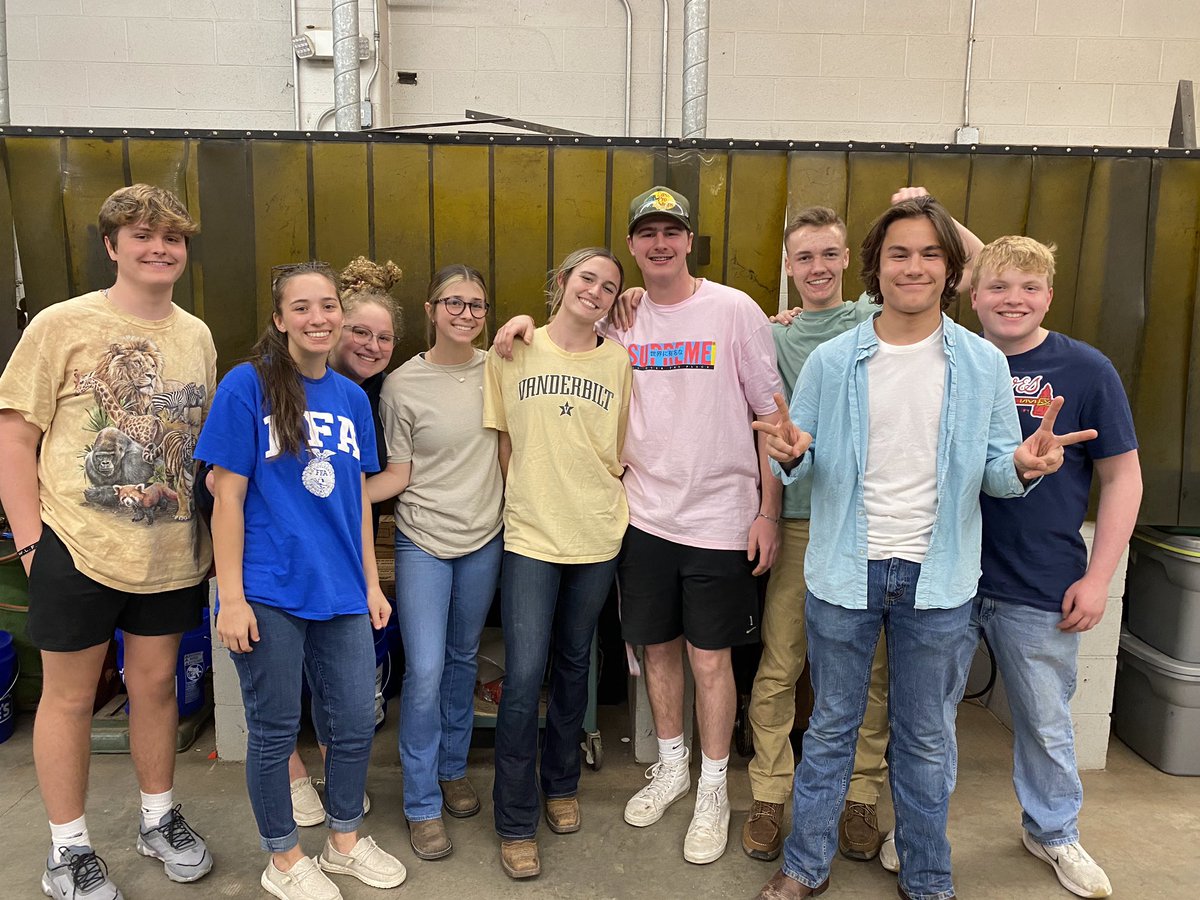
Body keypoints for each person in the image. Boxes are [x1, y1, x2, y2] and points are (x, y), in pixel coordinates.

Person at [752, 196, 1094, 900]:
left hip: (937, 582)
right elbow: (802, 454)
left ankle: (930, 876)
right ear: (875, 265)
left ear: (951, 268)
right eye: (899, 253)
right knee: (829, 731)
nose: (914, 266)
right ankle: (804, 865)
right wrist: (788, 456)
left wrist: (1025, 466)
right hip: (844, 575)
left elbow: (997, 472)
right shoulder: (832, 359)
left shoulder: (978, 364)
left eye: (930, 254)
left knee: (928, 739)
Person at [495, 187, 783, 866]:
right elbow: (557, 341)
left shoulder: (734, 311)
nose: (660, 243)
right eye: (647, 233)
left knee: (710, 659)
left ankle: (713, 787)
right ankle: (673, 766)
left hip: (720, 516)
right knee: (656, 649)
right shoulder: (622, 320)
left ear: (690, 241)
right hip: (642, 518)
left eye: (672, 232)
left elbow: (773, 418)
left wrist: (768, 510)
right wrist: (515, 322)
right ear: (632, 245)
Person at [0, 184, 214, 900]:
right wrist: (33, 544)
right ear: (113, 245)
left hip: (169, 554)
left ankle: (158, 819)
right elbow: (14, 437)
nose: (160, 248)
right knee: (68, 699)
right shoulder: (61, 325)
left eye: (173, 238)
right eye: (143, 235)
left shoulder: (197, 335)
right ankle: (67, 850)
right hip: (76, 547)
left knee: (155, 689)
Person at [199, 261, 406, 900]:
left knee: (353, 720)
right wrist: (230, 598)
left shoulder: (350, 398)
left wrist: (372, 586)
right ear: (280, 319)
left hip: (342, 588)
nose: (318, 318)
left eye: (327, 306)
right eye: (302, 307)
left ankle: (343, 841)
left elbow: (358, 504)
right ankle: (284, 858)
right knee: (275, 728)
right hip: (269, 589)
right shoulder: (247, 386)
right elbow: (226, 498)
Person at [941, 236, 1140, 899]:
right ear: (974, 297)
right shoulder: (949, 361)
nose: (1013, 300)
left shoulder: (1086, 370)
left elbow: (1122, 479)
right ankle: (921, 826)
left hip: (1040, 581)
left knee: (1047, 724)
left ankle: (1052, 830)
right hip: (947, 574)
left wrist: (1099, 576)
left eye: (1029, 287)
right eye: (998, 287)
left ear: (1049, 296)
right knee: (927, 717)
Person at [742, 206, 888, 864]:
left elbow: (968, 278)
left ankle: (861, 794)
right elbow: (764, 427)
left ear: (847, 259)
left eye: (829, 254)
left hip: (869, 521)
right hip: (802, 518)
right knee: (781, 662)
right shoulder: (772, 337)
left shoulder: (874, 320)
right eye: (804, 257)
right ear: (789, 267)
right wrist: (769, 513)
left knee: (869, 671)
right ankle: (770, 794)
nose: (818, 268)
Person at [484, 248, 632, 879]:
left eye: (608, 286)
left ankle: (562, 784)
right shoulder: (515, 350)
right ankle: (515, 820)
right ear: (562, 283)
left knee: (577, 662)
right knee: (522, 677)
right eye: (586, 279)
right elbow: (504, 443)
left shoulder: (619, 359)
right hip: (531, 535)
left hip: (597, 530)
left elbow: (619, 444)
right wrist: (529, 499)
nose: (595, 292)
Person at [370, 265, 504, 860]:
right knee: (423, 671)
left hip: (485, 537)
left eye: (477, 305)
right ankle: (421, 801)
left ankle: (452, 770)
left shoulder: (501, 369)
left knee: (461, 658)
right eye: (455, 302)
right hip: (423, 538)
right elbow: (396, 473)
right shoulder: (402, 385)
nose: (466, 314)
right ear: (430, 309)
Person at [286, 256, 403, 830]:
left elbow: (361, 481)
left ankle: (337, 774)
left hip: (342, 554)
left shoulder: (367, 397)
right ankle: (289, 775)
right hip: (275, 554)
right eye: (359, 330)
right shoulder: (266, 381)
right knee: (277, 682)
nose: (371, 344)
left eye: (383, 337)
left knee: (342, 683)